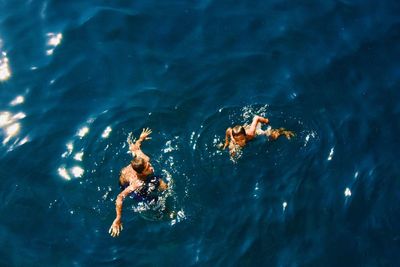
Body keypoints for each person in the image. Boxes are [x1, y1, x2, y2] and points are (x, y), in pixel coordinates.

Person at [109, 128, 168, 237]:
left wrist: (141, 138)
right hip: (126, 183)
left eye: (148, 164)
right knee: (153, 201)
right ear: (141, 173)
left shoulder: (143, 158)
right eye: (147, 168)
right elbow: (120, 197)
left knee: (163, 186)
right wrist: (118, 217)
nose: (151, 167)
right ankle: (166, 213)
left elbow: (135, 148)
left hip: (134, 173)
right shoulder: (136, 183)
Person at [222, 115, 294, 157]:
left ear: (245, 136)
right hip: (241, 131)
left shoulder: (251, 133)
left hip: (254, 131)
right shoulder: (234, 139)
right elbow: (228, 130)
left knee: (270, 136)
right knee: (231, 149)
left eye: (242, 139)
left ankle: (283, 131)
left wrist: (266, 121)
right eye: (237, 140)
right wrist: (226, 142)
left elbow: (256, 118)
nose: (240, 142)